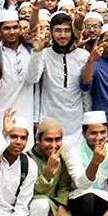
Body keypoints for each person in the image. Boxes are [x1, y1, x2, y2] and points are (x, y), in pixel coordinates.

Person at [29, 11, 88, 147]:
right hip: (49, 120)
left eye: (67, 30)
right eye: (58, 30)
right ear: (50, 32)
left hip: (76, 123)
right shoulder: (44, 54)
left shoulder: (83, 56)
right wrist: (37, 52)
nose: (62, 35)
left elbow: (85, 92)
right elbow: (33, 79)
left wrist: (87, 118)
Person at [0, 10, 35, 144]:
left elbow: (34, 79)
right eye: (7, 28)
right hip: (0, 114)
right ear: (0, 30)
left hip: (26, 112)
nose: (12, 32)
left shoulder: (30, 50)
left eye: (15, 27)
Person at [27, 119, 74, 216]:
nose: (53, 145)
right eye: (48, 140)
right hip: (32, 207)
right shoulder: (28, 159)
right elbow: (32, 192)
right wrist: (48, 171)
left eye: (58, 139)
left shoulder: (63, 158)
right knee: (41, 204)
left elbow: (64, 186)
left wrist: (61, 205)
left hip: (54, 205)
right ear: (38, 140)